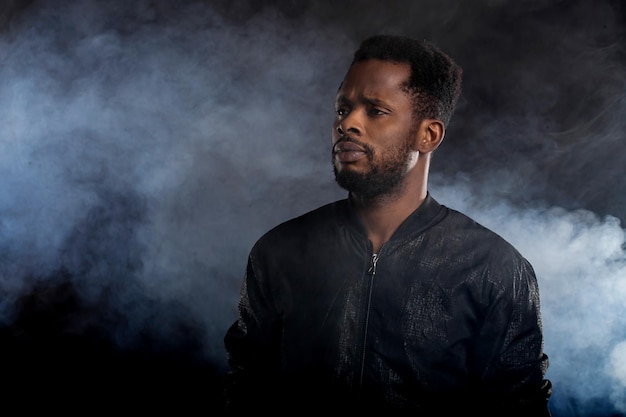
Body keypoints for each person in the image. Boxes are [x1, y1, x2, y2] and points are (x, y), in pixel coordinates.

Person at [222, 34, 552, 416]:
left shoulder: (494, 269)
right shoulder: (279, 251)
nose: (348, 124)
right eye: (343, 108)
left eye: (375, 110)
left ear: (428, 135)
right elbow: (246, 389)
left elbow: (520, 407)